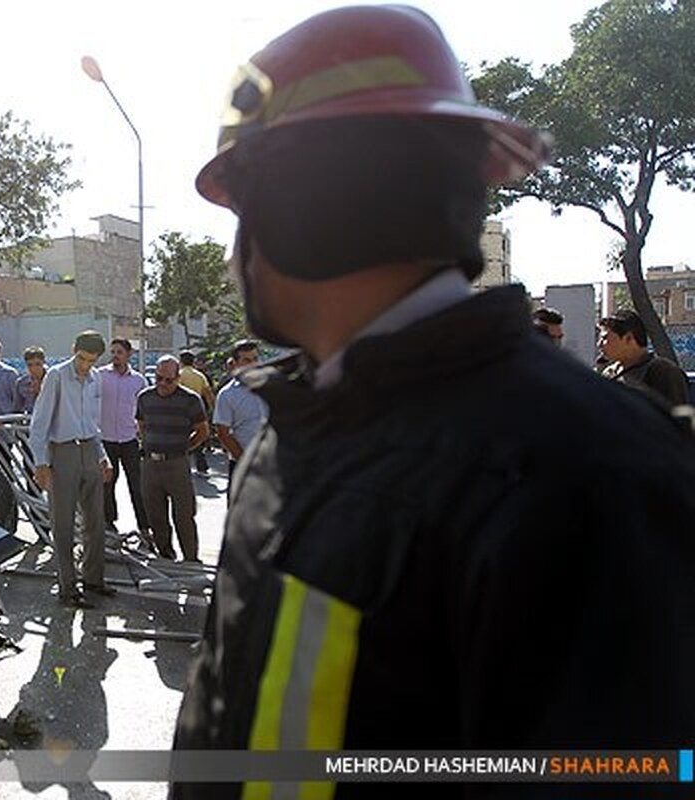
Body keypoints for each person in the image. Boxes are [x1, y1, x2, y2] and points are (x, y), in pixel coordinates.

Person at [172, 7, 695, 799]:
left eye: (246, 207)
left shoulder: (595, 477)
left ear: (306, 208)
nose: (231, 249)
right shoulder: (300, 423)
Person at [28, 331, 115, 609]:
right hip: (62, 453)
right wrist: (41, 463)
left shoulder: (95, 378)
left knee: (95, 522)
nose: (84, 365)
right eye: (81, 358)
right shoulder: (55, 376)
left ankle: (93, 579)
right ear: (73, 349)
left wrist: (102, 456)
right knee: (63, 525)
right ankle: (68, 588)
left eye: (91, 361)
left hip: (89, 450)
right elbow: (39, 423)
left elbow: (92, 421)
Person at [136, 355, 208, 561]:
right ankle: (165, 554)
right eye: (158, 378)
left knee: (184, 515)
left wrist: (186, 447)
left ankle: (191, 558)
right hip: (151, 464)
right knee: (155, 515)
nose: (162, 384)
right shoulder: (144, 397)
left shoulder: (190, 399)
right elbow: (141, 425)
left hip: (177, 464)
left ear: (178, 378)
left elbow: (202, 431)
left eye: (168, 380)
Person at [98, 338, 150, 536]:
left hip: (129, 439)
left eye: (119, 352)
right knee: (107, 484)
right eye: (112, 352)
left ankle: (144, 526)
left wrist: (142, 436)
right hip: (106, 439)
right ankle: (108, 522)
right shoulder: (101, 376)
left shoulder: (138, 380)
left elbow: (144, 412)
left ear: (129, 354)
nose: (115, 356)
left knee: (137, 485)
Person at [598, 307, 689, 407]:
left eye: (604, 338)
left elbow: (675, 417)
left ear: (628, 338)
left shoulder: (663, 371)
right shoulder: (609, 373)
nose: (599, 344)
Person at [211, 339, 267, 500]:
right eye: (247, 360)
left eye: (256, 359)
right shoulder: (228, 395)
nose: (253, 364)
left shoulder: (272, 387)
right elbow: (223, 433)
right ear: (235, 364)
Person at [177, 351, 215, 473]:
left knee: (181, 439)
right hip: (197, 411)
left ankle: (182, 465)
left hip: (181, 412)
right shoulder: (200, 376)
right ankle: (201, 466)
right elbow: (208, 393)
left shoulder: (179, 375)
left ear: (181, 361)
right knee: (198, 437)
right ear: (193, 362)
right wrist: (211, 409)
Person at [15, 346, 47, 413]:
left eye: (38, 364)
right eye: (30, 365)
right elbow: (17, 408)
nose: (34, 368)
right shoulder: (21, 383)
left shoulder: (52, 380)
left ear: (43, 362)